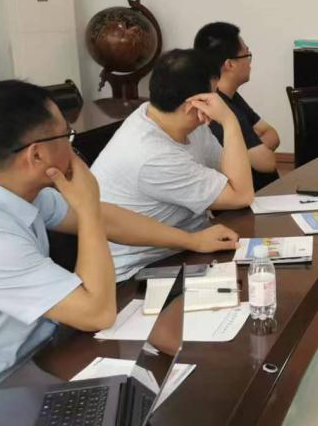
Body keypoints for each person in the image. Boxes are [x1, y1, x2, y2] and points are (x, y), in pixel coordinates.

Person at [0, 80, 238, 409]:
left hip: (39, 349)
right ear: (36, 154)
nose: (73, 146)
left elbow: (108, 221)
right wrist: (87, 205)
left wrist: (192, 239)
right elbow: (96, 313)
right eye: (66, 136)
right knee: (173, 405)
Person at [92, 49, 254, 281]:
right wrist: (229, 121)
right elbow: (241, 195)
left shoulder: (170, 118)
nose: (216, 104)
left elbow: (232, 176)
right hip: (139, 272)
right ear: (192, 105)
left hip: (189, 247)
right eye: (213, 96)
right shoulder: (152, 155)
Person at [193, 21, 280, 191]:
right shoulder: (218, 107)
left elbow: (272, 134)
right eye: (247, 55)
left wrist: (248, 150)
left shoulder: (229, 96)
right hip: (250, 198)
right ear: (230, 64)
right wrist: (254, 148)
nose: (250, 62)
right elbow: (267, 162)